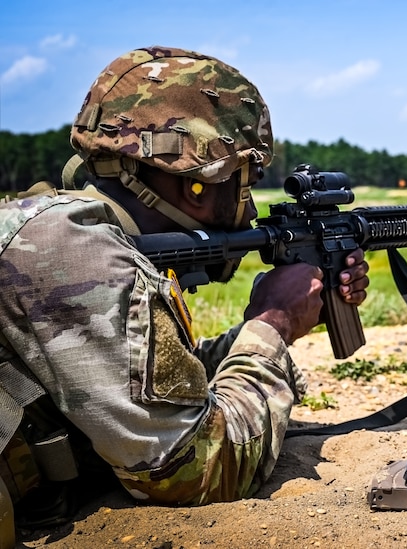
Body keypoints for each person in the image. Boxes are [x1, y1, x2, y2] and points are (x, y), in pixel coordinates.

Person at [0, 46, 370, 530]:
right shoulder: (71, 252)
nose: (252, 206)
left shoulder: (62, 230)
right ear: (194, 183)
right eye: (246, 179)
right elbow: (194, 470)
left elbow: (142, 384)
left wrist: (285, 316)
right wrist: (272, 324)